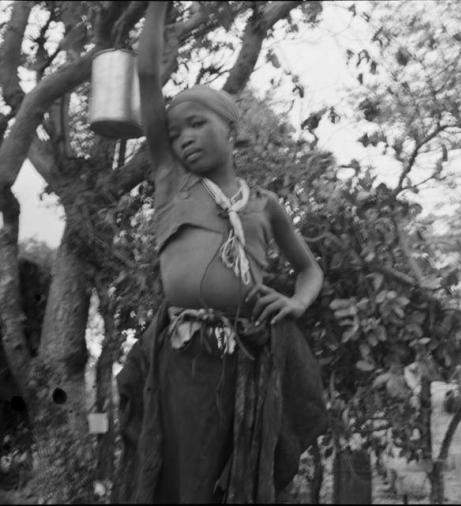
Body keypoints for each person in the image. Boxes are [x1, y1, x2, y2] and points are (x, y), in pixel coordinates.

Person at [115, 2, 328, 504]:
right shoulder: (173, 184)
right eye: (174, 133)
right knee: (174, 470)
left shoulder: (265, 205)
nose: (184, 139)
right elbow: (146, 75)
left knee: (235, 472)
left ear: (230, 129)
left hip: (244, 359)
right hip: (179, 357)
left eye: (196, 124)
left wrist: (297, 303)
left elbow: (309, 270)